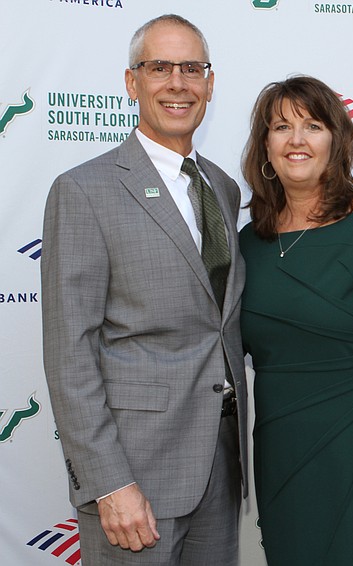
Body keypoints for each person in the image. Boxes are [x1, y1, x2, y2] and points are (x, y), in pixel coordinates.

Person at [41, 14, 247, 565]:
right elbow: (69, 354)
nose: (177, 83)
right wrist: (108, 483)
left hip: (220, 468)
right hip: (134, 477)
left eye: (192, 68)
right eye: (160, 68)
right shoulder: (84, 190)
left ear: (209, 82)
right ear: (132, 82)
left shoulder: (222, 188)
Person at [239, 75, 353, 565]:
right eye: (281, 127)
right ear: (265, 145)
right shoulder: (246, 244)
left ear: (337, 141)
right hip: (281, 451)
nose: (296, 140)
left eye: (313, 126)